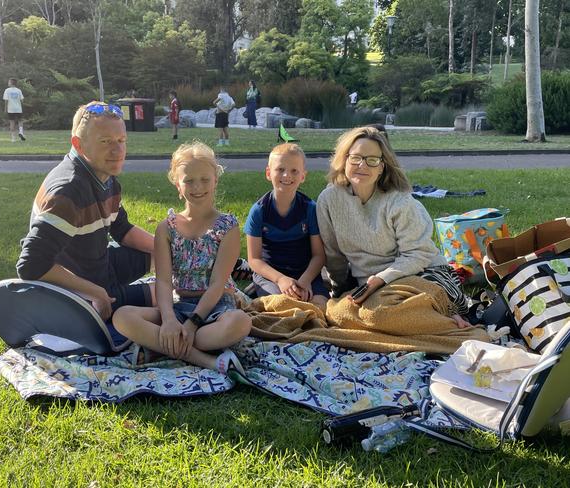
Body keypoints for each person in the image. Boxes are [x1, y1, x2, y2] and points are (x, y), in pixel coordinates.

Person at [113, 142, 251, 373]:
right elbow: (164, 281)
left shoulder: (228, 226)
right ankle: (203, 359)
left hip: (216, 308)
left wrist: (193, 323)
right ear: (178, 184)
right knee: (122, 316)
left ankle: (159, 347)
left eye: (205, 179)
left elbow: (218, 284)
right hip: (177, 307)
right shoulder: (166, 228)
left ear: (215, 180)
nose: (197, 186)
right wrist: (168, 320)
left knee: (241, 323)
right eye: (188, 180)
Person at [316, 126, 471, 328]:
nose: (362, 165)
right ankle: (432, 324)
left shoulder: (400, 202)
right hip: (372, 289)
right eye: (355, 158)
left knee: (379, 314)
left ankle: (445, 319)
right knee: (340, 313)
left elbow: (417, 255)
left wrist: (381, 279)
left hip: (420, 275)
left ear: (381, 167)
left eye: (372, 160)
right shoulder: (329, 200)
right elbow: (333, 255)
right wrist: (338, 292)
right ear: (344, 159)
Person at [16, 101, 155, 325]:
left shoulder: (102, 176)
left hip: (99, 265)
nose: (118, 151)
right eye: (105, 142)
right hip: (77, 296)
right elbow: (31, 264)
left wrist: (170, 249)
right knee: (167, 296)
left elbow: (122, 229)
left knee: (164, 257)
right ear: (78, 145)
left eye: (121, 141)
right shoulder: (69, 191)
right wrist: (96, 293)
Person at [244, 143, 329, 309]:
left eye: (294, 171)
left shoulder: (310, 209)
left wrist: (305, 281)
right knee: (283, 306)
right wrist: (280, 279)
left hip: (305, 273)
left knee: (321, 307)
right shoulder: (259, 211)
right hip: (271, 275)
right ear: (268, 173)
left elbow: (319, 256)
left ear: (303, 176)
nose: (286, 175)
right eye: (280, 169)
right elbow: (254, 260)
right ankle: (259, 291)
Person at [3, 78, 25, 142]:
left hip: (10, 109)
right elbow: (22, 100)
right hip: (18, 109)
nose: (8, 83)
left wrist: (5, 109)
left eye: (8, 82)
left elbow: (6, 100)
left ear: (11, 83)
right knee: (20, 121)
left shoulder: (7, 90)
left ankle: (13, 138)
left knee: (12, 122)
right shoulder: (19, 90)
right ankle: (21, 132)